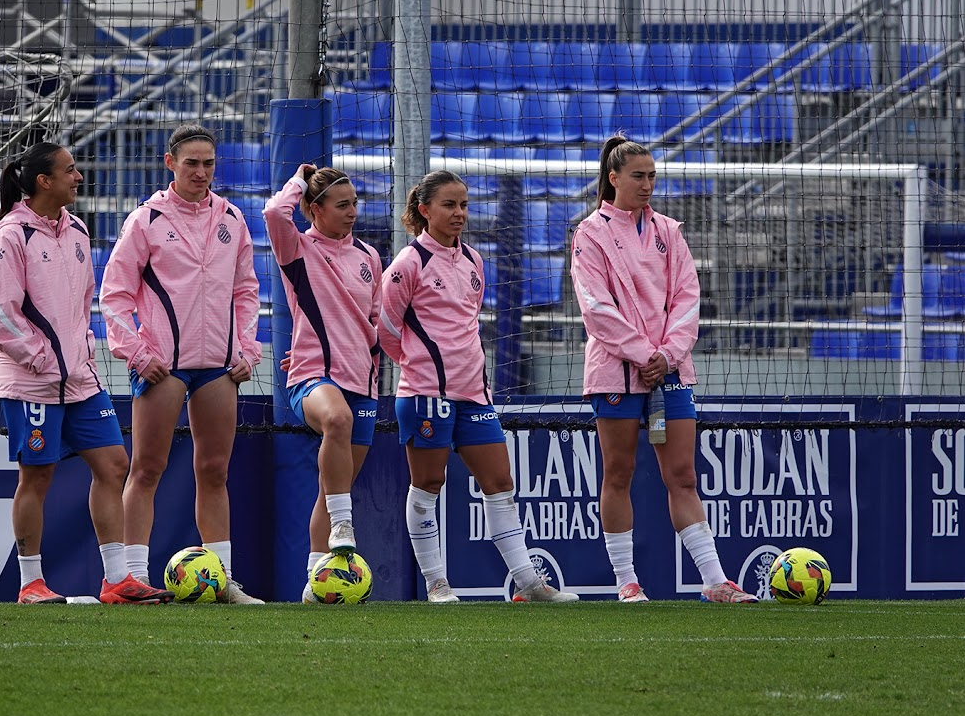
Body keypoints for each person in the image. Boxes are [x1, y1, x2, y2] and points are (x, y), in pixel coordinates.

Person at [0, 142, 174, 606]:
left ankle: (116, 580)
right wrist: (42, 358)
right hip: (32, 380)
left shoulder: (79, 231)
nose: (79, 177)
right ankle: (31, 584)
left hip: (81, 378)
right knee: (38, 476)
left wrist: (82, 348)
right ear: (44, 181)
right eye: (70, 170)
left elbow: (84, 299)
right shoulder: (10, 237)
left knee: (113, 464)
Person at [570, 135, 756, 604]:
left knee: (683, 475)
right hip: (616, 371)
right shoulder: (589, 233)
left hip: (669, 371)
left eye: (652, 175)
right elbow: (595, 307)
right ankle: (626, 582)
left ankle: (715, 582)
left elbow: (688, 298)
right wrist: (641, 353)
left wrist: (666, 356)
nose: (648, 184)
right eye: (638, 175)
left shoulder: (669, 231)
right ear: (613, 179)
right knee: (619, 473)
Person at [379, 170, 579, 604]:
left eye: (464, 205)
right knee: (428, 485)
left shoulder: (473, 260)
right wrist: (421, 371)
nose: (459, 214)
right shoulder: (407, 264)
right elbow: (387, 331)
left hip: (475, 396)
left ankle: (529, 584)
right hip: (425, 397)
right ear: (424, 209)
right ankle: (436, 583)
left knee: (500, 481)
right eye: (449, 205)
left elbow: (467, 325)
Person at [98, 124, 264, 603]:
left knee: (214, 470)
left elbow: (246, 290)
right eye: (191, 162)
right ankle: (130, 578)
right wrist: (137, 352)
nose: (201, 171)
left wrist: (248, 348)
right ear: (169, 163)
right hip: (162, 366)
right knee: (147, 468)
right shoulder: (145, 220)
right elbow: (114, 295)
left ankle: (224, 582)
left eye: (209, 162)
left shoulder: (232, 217)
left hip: (218, 366)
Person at [264, 163, 383, 602]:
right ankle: (344, 525)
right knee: (336, 420)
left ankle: (316, 584)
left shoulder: (369, 257)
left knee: (333, 486)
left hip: (362, 380)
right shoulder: (297, 249)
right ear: (314, 210)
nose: (352, 211)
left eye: (354, 203)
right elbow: (276, 213)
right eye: (342, 204)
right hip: (313, 376)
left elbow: (375, 322)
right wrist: (298, 179)